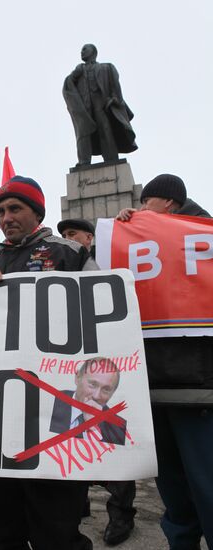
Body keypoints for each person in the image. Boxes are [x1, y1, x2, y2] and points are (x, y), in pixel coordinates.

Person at [0, 174, 98, 550]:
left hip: (52, 412)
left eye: (14, 208)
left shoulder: (69, 254)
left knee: (56, 527)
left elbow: (102, 315)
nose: (5, 217)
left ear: (36, 212)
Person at [117, 173, 213, 549]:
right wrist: (127, 232)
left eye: (147, 203)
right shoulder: (138, 240)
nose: (141, 210)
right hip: (155, 392)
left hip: (199, 395)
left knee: (207, 491)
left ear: (169, 203)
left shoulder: (202, 236)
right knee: (174, 497)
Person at [57, 219, 137, 545]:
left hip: (107, 367)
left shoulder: (105, 273)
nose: (67, 240)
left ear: (89, 239)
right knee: (70, 441)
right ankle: (79, 504)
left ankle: (121, 515)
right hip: (69, 366)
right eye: (63, 236)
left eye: (72, 235)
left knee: (112, 447)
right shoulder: (55, 276)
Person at [63, 43, 137, 166]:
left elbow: (115, 87)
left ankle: (111, 159)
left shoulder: (106, 67)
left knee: (105, 130)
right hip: (85, 108)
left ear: (93, 52)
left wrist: (114, 99)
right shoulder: (78, 71)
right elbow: (68, 87)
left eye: (84, 49)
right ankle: (84, 161)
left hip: (101, 106)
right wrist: (72, 76)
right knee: (83, 133)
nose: (81, 52)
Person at [50, 358, 126, 445]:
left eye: (106, 389)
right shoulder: (51, 401)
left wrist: (93, 428)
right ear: (77, 378)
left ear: (113, 392)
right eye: (93, 385)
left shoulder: (119, 429)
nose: (96, 396)